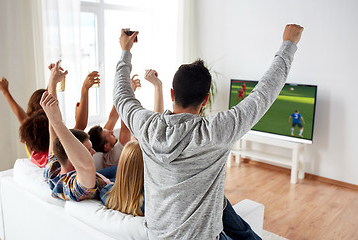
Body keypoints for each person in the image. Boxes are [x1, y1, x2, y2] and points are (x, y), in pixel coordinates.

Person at [113, 24, 303, 239]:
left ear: (172, 93)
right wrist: (289, 45)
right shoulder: (218, 130)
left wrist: (125, 51)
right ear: (205, 100)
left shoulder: (147, 126)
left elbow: (121, 96)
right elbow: (263, 94)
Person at [42, 61, 110, 201]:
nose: (93, 152)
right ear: (72, 155)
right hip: (110, 189)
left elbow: (54, 133)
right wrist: (56, 121)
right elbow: (87, 165)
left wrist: (52, 83)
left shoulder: (53, 169)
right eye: (87, 150)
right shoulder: (73, 186)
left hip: (104, 178)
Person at [88, 71, 163, 170]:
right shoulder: (114, 155)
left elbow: (113, 116)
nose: (111, 131)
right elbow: (125, 123)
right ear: (106, 146)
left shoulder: (103, 144)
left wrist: (124, 90)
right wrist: (129, 92)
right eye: (110, 134)